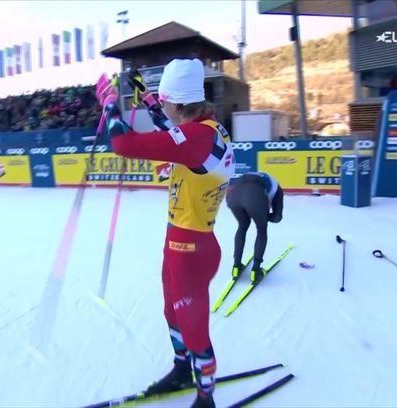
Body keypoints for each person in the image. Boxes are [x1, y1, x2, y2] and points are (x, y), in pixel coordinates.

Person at [96, 59, 234, 408]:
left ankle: (206, 397)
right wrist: (145, 97)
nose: (163, 106)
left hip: (192, 249)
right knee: (173, 313)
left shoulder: (197, 138)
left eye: (165, 101)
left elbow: (124, 144)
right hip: (180, 243)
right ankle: (182, 369)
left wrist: (110, 103)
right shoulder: (203, 130)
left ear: (178, 103)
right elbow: (171, 130)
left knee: (194, 328)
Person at [226, 172, 284, 282]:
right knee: (261, 229)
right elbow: (277, 217)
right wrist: (264, 216)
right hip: (254, 197)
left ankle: (236, 266)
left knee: (242, 225)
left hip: (233, 196)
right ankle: (256, 270)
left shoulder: (263, 178)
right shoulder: (277, 189)